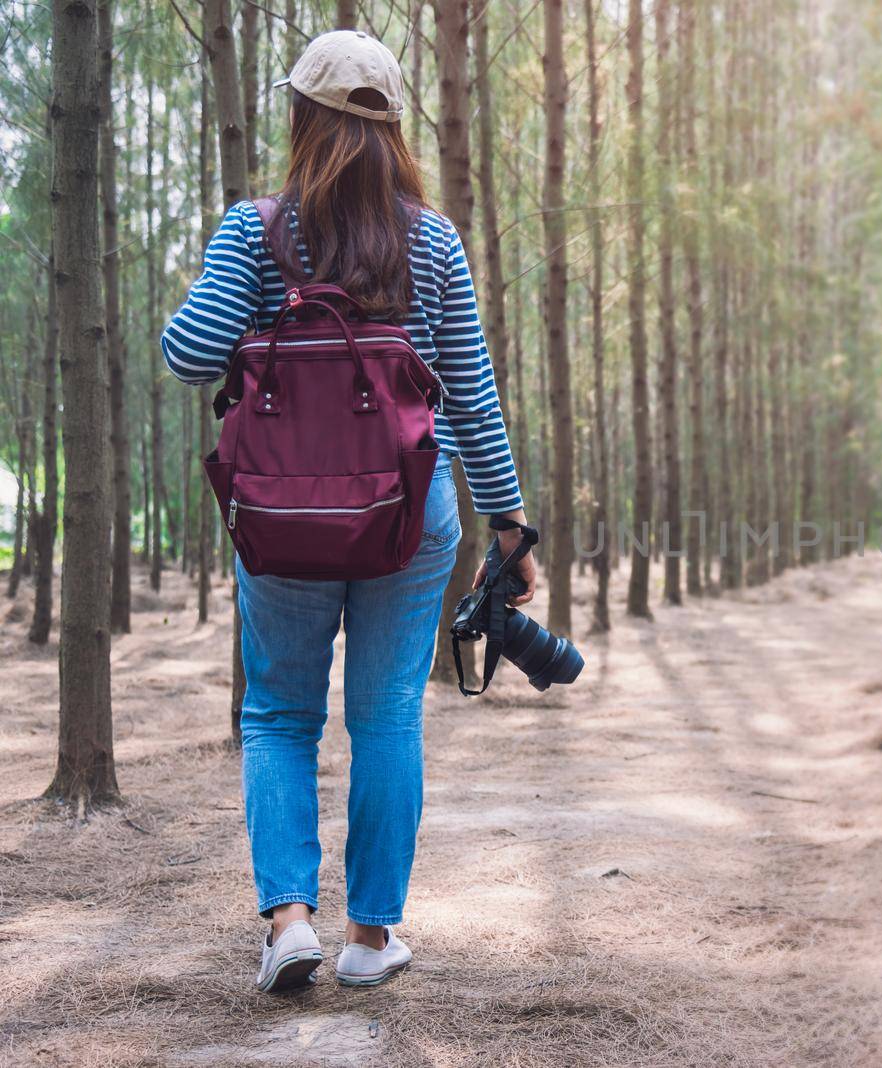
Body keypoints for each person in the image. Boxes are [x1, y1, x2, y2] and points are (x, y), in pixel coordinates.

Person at [161, 29, 534, 993]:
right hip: (408, 517)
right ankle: (371, 939)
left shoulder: (257, 229)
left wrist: (239, 288)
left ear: (300, 116)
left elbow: (187, 353)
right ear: (394, 128)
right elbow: (473, 395)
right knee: (386, 718)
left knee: (280, 713)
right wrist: (510, 527)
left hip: (279, 513)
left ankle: (287, 921)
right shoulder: (433, 240)